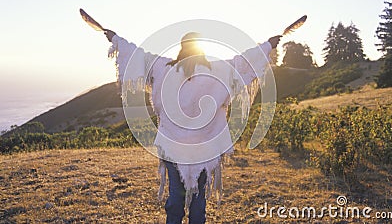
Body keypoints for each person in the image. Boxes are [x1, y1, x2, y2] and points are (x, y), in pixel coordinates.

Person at [104, 28, 280, 224]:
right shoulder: (217, 71)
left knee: (175, 198)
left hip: (172, 147)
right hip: (204, 149)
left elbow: (137, 56)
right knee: (198, 199)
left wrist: (116, 39)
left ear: (182, 48)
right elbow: (243, 63)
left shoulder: (163, 68)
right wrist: (268, 45)